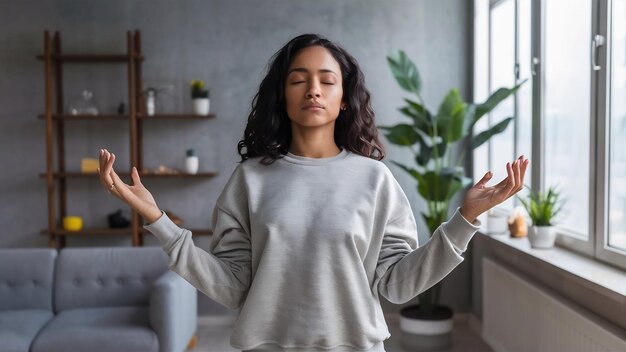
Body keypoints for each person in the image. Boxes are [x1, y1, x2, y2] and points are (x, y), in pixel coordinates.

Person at [97, 33, 529, 352]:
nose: (313, 90)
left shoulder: (374, 180)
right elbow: (232, 287)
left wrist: (464, 221)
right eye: (298, 80)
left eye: (327, 80)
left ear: (344, 99)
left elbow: (398, 285)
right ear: (282, 96)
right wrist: (159, 222)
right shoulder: (250, 180)